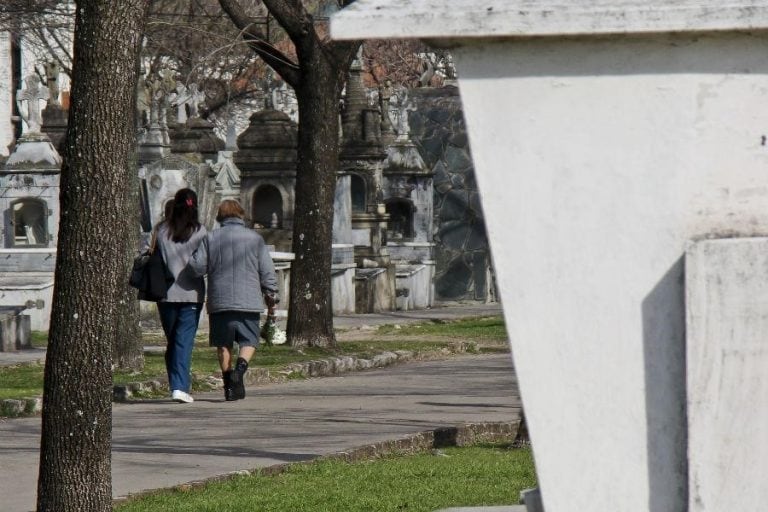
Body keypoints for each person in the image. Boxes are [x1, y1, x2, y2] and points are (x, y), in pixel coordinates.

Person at [189, 199, 278, 401]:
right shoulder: (255, 239)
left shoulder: (210, 238)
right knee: (249, 340)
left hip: (220, 300)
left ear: (220, 217)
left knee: (223, 344)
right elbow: (266, 270)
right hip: (249, 300)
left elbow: (196, 268)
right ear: (241, 215)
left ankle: (229, 384)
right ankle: (240, 369)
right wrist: (271, 293)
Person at [152, 188, 207, 403]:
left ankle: (176, 382)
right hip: (191, 293)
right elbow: (203, 262)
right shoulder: (201, 232)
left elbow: (148, 251)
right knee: (183, 341)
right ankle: (179, 386)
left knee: (173, 340)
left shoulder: (161, 230)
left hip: (164, 292)